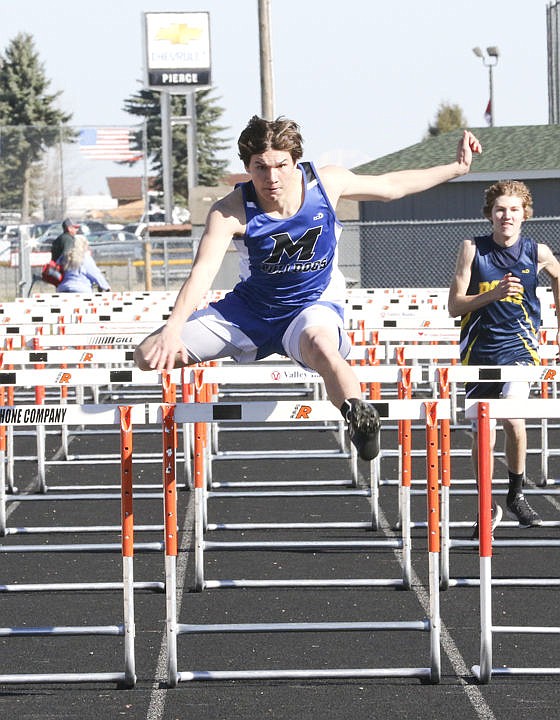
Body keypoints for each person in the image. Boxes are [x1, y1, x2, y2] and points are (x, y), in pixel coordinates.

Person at [134, 115, 481, 461]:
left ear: (295, 161)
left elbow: (391, 186)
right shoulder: (230, 211)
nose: (272, 178)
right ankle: (178, 339)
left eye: (281, 165)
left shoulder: (325, 183)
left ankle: (359, 415)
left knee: (321, 345)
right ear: (247, 167)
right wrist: (173, 329)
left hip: (311, 303)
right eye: (260, 168)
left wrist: (456, 169)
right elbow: (203, 272)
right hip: (250, 310)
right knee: (146, 355)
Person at [448, 179, 560, 535]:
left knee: (512, 419)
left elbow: (558, 274)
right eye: (500, 210)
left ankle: (516, 493)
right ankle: (486, 503)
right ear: (489, 215)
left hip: (521, 350)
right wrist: (493, 294)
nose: (506, 216)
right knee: (484, 431)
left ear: (525, 214)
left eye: (513, 210)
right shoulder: (471, 249)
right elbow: (454, 306)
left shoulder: (536, 252)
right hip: (479, 351)